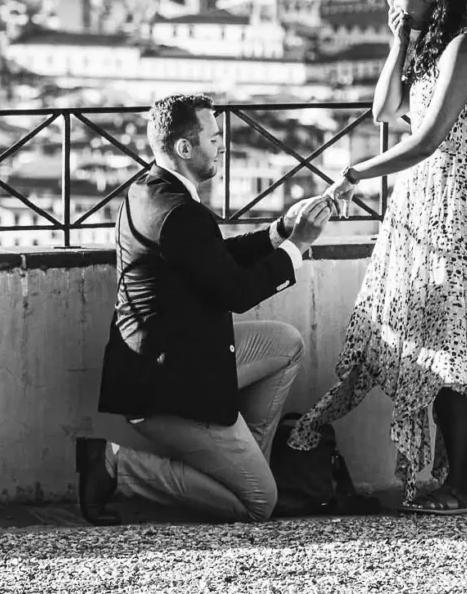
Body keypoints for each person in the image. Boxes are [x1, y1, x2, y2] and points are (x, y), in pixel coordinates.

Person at [287, 0, 467, 514]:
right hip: (418, 206)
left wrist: (354, 174)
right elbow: (383, 111)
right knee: (421, 337)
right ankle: (450, 478)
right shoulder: (430, 48)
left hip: (455, 210)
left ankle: (462, 486)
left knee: (455, 349)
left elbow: (427, 140)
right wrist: (398, 41)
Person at [76, 93, 336, 525]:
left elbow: (211, 257)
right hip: (168, 385)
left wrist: (278, 232)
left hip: (170, 358)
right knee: (258, 504)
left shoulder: (149, 189)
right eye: (214, 137)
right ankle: (115, 464)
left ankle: (248, 463)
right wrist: (299, 245)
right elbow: (235, 291)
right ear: (184, 148)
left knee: (286, 345)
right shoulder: (179, 212)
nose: (223, 145)